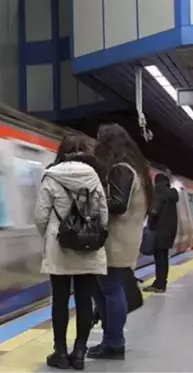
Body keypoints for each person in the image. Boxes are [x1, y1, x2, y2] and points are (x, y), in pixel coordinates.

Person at [34, 135, 108, 370]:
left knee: (60, 301)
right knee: (84, 300)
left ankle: (60, 353)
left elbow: (40, 216)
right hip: (88, 248)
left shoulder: (51, 176)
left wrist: (52, 234)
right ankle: (79, 353)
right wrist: (91, 233)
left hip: (60, 248)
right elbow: (104, 216)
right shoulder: (94, 177)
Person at [89, 123, 154, 360]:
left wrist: (92, 203)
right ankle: (110, 340)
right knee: (105, 290)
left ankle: (114, 343)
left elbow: (117, 204)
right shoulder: (136, 168)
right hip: (125, 239)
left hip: (115, 240)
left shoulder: (121, 169)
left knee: (111, 290)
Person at [145, 172, 179, 293]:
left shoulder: (159, 192)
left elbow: (154, 211)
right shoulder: (172, 194)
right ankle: (160, 282)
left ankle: (159, 284)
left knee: (160, 258)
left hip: (158, 231)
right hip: (169, 231)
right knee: (163, 258)